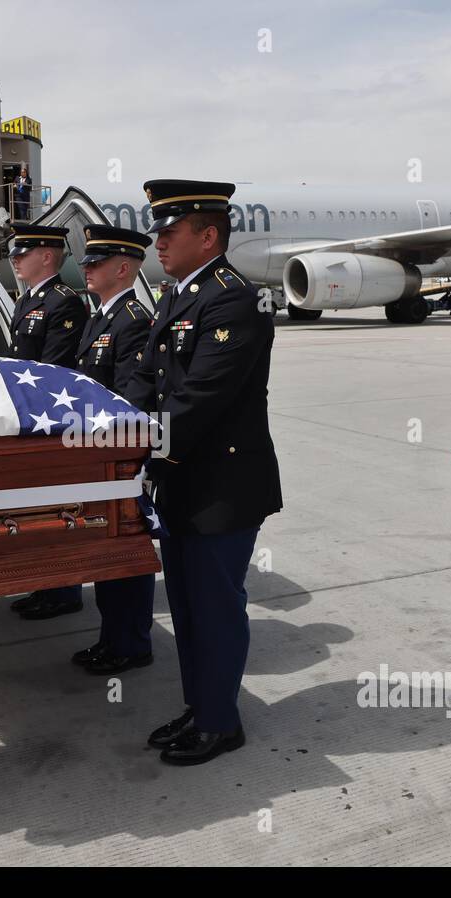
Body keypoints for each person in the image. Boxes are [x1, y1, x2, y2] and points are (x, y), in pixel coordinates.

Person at [125, 179, 283, 765]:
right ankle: (201, 707)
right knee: (188, 606)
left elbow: (200, 397)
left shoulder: (233, 298)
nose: (158, 243)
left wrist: (135, 446)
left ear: (208, 234)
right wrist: (115, 425)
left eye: (169, 233)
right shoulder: (176, 294)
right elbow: (146, 376)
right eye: (157, 233)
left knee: (215, 607)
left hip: (222, 484)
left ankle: (221, 722)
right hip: (181, 478)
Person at [70, 224, 156, 674]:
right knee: (105, 555)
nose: (86, 269)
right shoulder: (101, 316)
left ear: (122, 269)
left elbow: (131, 400)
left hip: (119, 460)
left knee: (125, 554)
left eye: (94, 263)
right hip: (97, 457)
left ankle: (132, 643)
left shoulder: (134, 320)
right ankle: (111, 638)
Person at [2, 222, 89, 620]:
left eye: (23, 252)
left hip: (52, 422)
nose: (15, 259)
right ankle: (45, 585)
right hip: (28, 419)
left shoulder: (63, 302)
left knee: (57, 510)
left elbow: (54, 370)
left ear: (48, 256)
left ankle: (65, 591)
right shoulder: (26, 301)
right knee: (34, 509)